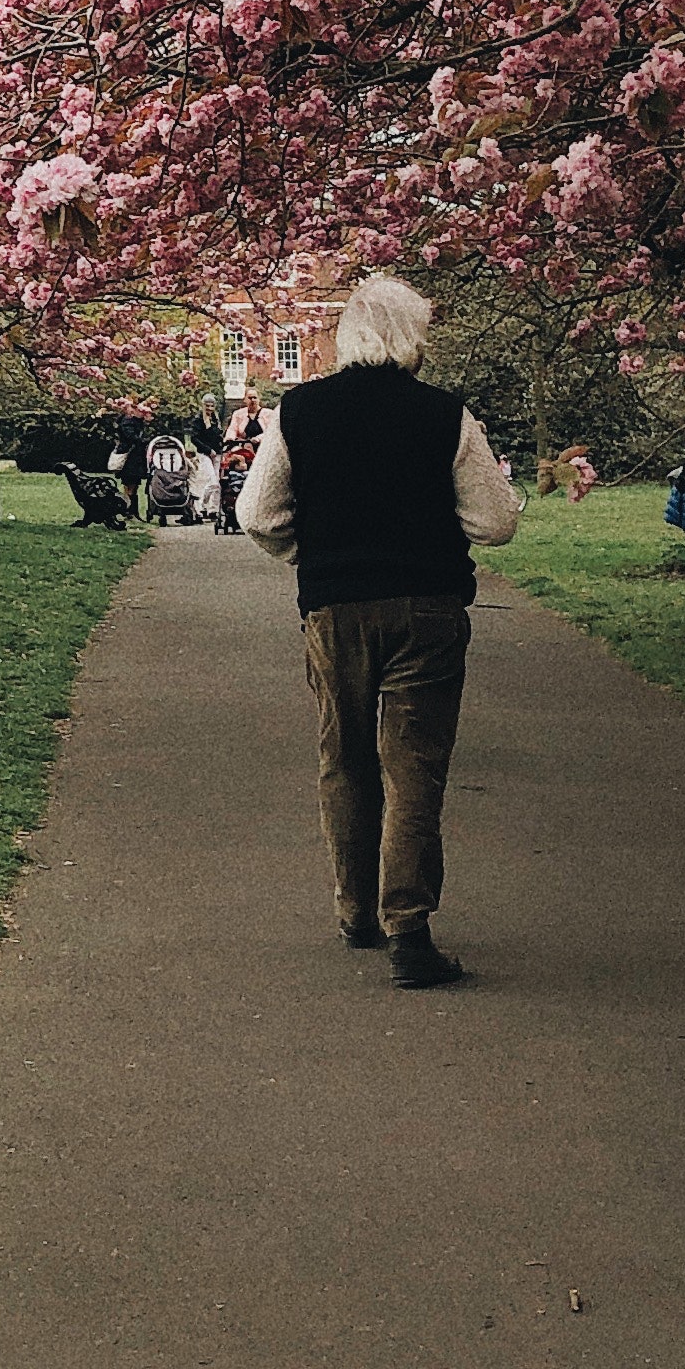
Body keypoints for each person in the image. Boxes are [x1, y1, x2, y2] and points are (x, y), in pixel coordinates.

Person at [239, 275, 520, 989]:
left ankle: (354, 907)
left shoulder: (298, 411)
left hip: (335, 611)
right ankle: (410, 929)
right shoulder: (445, 417)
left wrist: (316, 555)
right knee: (413, 764)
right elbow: (496, 521)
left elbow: (258, 515)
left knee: (346, 758)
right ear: (412, 336)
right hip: (426, 609)